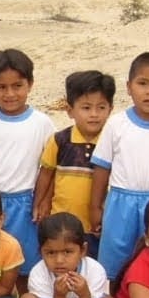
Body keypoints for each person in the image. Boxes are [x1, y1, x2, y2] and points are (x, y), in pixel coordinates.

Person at [90, 51, 149, 282]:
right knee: (115, 260)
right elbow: (102, 169)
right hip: (120, 204)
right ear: (129, 87)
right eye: (143, 83)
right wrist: (95, 207)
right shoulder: (116, 124)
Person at [0, 49, 55, 288]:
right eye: (1, 87)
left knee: (27, 262)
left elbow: (50, 167)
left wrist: (44, 200)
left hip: (29, 204)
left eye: (17, 86)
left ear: (30, 84)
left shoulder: (42, 123)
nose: (10, 94)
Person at [34, 70, 116, 258]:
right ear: (70, 110)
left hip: (96, 225)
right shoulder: (60, 140)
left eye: (101, 107)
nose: (94, 114)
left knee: (93, 265)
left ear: (110, 109)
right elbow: (47, 173)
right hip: (62, 222)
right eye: (86, 108)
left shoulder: (112, 142)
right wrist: (40, 203)